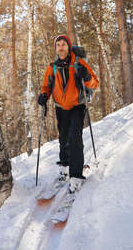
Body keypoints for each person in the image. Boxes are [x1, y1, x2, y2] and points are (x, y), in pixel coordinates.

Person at [37, 35, 98, 193]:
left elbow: (94, 82)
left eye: (64, 44)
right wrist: (44, 96)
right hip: (60, 108)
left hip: (77, 106)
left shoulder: (78, 64)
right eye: (58, 45)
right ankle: (65, 167)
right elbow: (46, 86)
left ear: (68, 47)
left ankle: (76, 176)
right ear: (56, 49)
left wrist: (85, 75)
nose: (61, 47)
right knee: (63, 138)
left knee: (74, 138)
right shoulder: (52, 67)